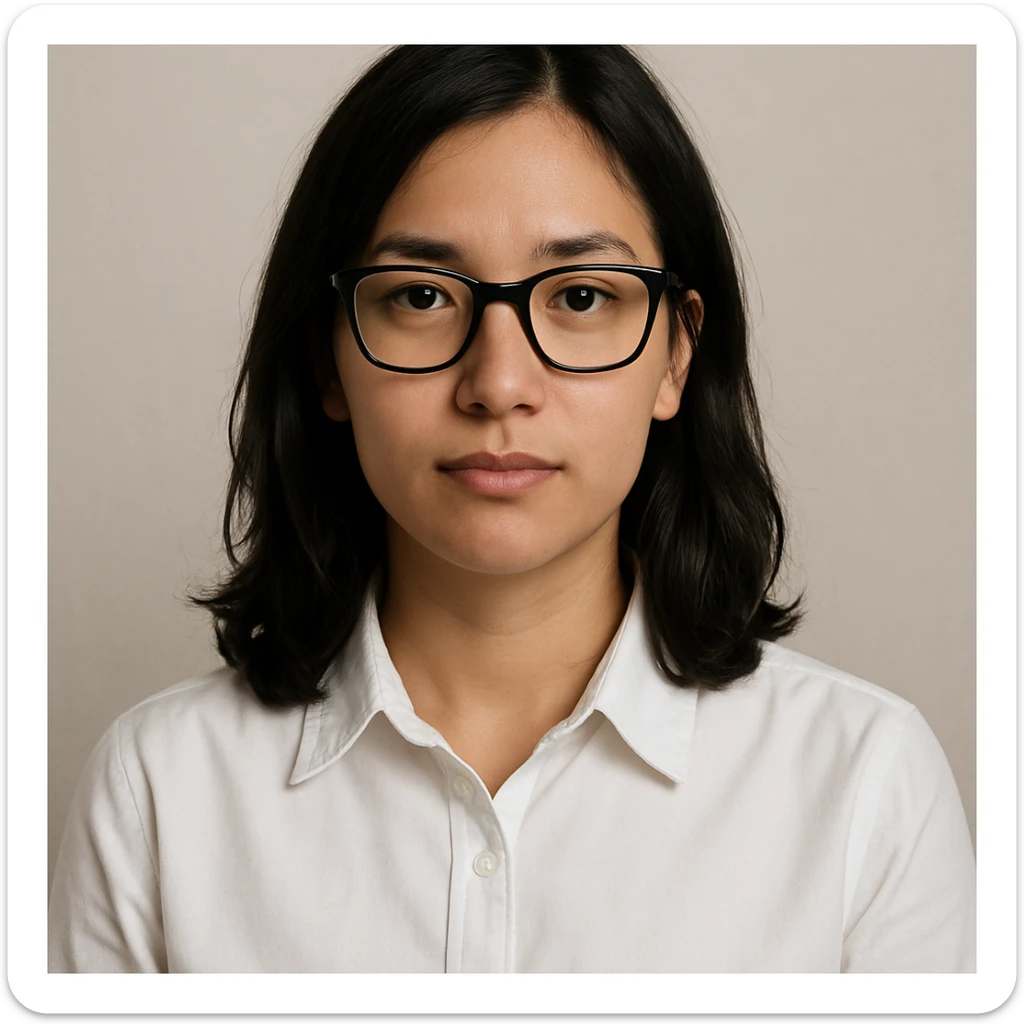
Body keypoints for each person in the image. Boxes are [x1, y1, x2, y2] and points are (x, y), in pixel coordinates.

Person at [48, 44, 975, 973]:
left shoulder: (865, 784)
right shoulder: (157, 792)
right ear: (329, 357)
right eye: (421, 296)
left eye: (582, 296)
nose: (498, 383)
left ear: (676, 356)